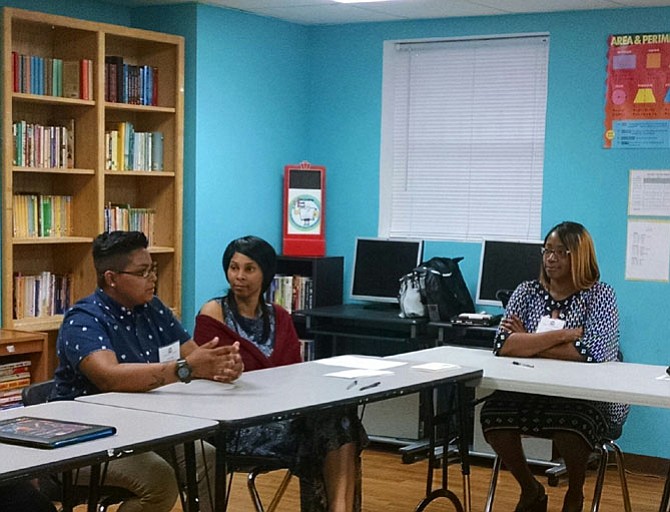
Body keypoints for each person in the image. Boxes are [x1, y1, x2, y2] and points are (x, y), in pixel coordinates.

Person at [51, 231, 243, 512]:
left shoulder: (152, 309)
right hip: (83, 438)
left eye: (152, 269)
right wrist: (185, 368)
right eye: (142, 272)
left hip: (143, 428)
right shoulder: (84, 320)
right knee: (158, 480)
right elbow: (109, 376)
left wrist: (220, 364)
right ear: (111, 278)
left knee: (208, 458)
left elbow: (191, 356)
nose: (152, 278)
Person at [193, 235, 368, 512]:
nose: (239, 276)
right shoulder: (214, 312)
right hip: (238, 425)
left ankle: (339, 508)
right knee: (333, 428)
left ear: (265, 273)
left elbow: (293, 374)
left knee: (340, 417)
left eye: (249, 269)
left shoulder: (280, 315)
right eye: (233, 267)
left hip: (283, 416)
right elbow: (208, 372)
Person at [479, 221, 629, 512]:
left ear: (580, 256)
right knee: (493, 415)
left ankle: (575, 491)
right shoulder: (526, 292)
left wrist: (530, 341)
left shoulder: (600, 296)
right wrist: (563, 336)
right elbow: (502, 345)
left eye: (561, 252)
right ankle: (530, 489)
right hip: (532, 389)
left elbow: (593, 352)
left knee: (571, 425)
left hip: (589, 396)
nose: (550, 258)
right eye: (547, 250)